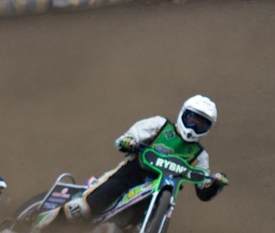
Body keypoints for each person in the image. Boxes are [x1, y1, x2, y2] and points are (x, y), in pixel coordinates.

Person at [60, 94, 229, 223]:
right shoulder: (160, 125)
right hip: (131, 173)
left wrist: (216, 184)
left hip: (161, 191)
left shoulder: (199, 156)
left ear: (208, 128)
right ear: (183, 114)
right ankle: (45, 230)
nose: (194, 127)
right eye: (192, 119)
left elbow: (203, 190)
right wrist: (129, 142)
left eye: (201, 124)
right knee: (83, 208)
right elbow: (128, 137)